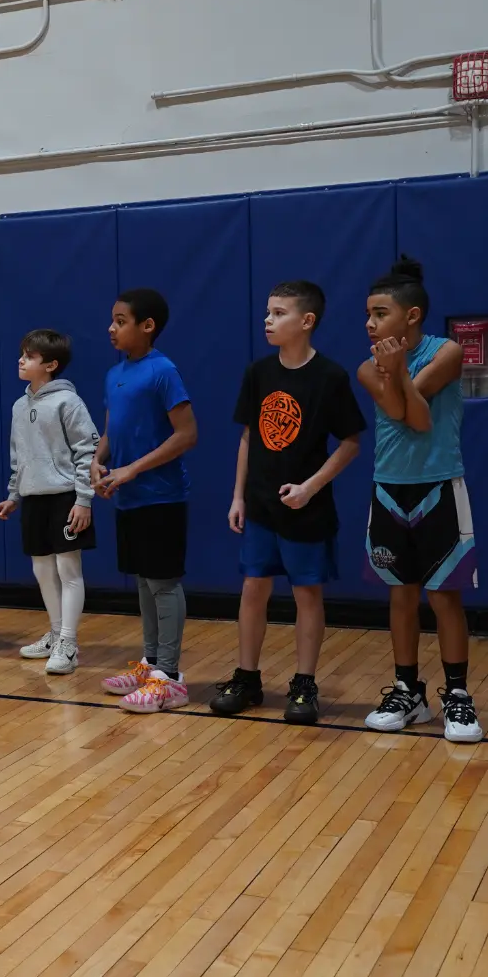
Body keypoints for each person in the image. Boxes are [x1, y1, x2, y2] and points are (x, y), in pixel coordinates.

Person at [211, 281, 365, 725]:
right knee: (253, 588)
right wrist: (238, 496)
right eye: (267, 313)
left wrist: (311, 487)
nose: (268, 320)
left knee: (306, 593)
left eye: (278, 313)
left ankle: (304, 684)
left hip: (305, 508)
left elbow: (351, 443)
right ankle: (247, 678)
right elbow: (248, 437)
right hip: (259, 505)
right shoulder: (258, 373)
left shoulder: (330, 377)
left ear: (306, 321)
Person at [358, 256, 481, 742]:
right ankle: (408, 691)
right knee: (401, 595)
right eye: (367, 314)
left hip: (439, 485)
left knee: (444, 595)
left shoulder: (447, 351)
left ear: (410, 316)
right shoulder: (367, 368)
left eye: (380, 312)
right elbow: (395, 408)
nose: (370, 323)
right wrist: (390, 373)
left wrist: (399, 371)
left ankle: (457, 696)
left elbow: (420, 416)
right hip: (388, 487)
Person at [92, 287, 197, 712]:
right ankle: (151, 663)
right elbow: (112, 430)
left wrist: (133, 469)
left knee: (163, 582)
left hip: (161, 497)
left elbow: (187, 434)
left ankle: (170, 677)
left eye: (120, 321)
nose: (111, 328)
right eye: (112, 320)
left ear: (147, 326)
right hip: (128, 498)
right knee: (142, 580)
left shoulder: (163, 371)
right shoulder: (114, 373)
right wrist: (99, 461)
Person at [0, 328, 98, 675]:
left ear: (51, 364)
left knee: (68, 569)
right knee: (42, 569)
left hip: (66, 497)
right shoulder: (18, 406)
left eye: (30, 356)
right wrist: (14, 495)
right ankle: (55, 634)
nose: (21, 360)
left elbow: (88, 451)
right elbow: (18, 456)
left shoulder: (69, 402)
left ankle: (69, 643)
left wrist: (84, 499)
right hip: (33, 497)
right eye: (22, 354)